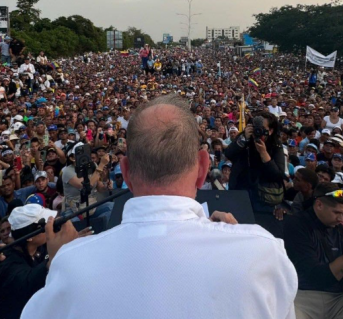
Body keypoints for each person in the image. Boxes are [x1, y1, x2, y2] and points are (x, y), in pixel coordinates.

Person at [22, 95, 297, 319]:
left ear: (126, 173)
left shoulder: (70, 263)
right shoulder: (265, 254)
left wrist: (55, 263)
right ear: (203, 169)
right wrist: (243, 246)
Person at [0, 204, 81, 319]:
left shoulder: (40, 248)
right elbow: (28, 282)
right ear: (29, 237)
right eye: (45, 226)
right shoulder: (7, 262)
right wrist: (55, 255)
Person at [284, 183, 343, 319]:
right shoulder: (297, 224)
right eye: (337, 213)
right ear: (319, 205)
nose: (341, 218)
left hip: (338, 297)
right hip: (304, 295)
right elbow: (314, 276)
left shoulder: (339, 226)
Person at [225, 112, 286, 237]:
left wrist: (264, 153)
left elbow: (278, 175)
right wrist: (243, 139)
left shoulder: (276, 145)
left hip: (263, 201)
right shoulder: (244, 139)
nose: (258, 131)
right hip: (240, 194)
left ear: (271, 131)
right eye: (255, 127)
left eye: (262, 129)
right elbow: (229, 154)